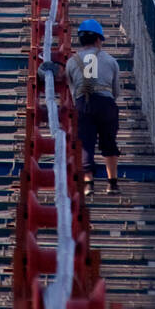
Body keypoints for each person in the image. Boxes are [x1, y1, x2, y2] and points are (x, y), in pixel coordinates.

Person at [65, 18, 121, 195]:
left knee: (86, 142)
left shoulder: (71, 62)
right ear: (98, 40)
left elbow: (72, 89)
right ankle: (112, 183)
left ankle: (89, 184)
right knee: (109, 141)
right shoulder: (111, 61)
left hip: (83, 103)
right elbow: (116, 91)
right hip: (106, 104)